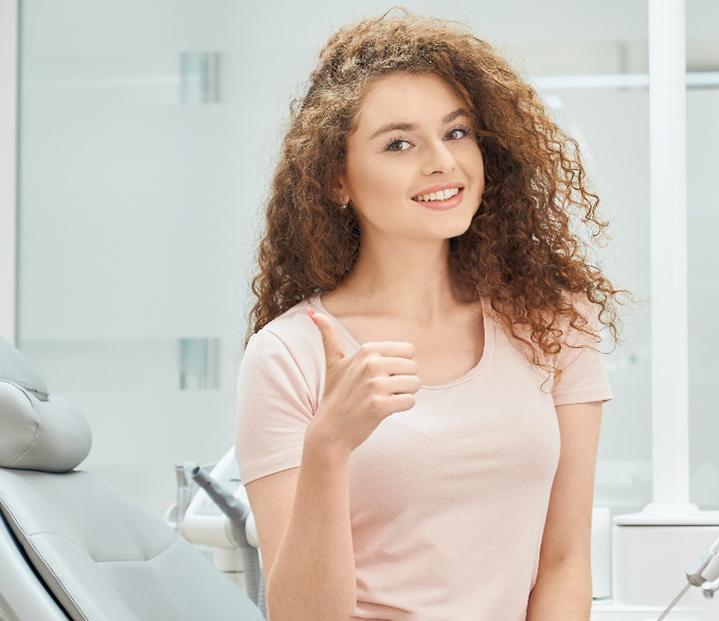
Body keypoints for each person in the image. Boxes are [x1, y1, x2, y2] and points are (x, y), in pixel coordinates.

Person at [233, 7, 628, 620]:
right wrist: (329, 445)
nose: (442, 161)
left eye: (457, 132)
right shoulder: (288, 355)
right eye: (399, 143)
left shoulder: (550, 321)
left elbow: (564, 563)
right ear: (337, 178)